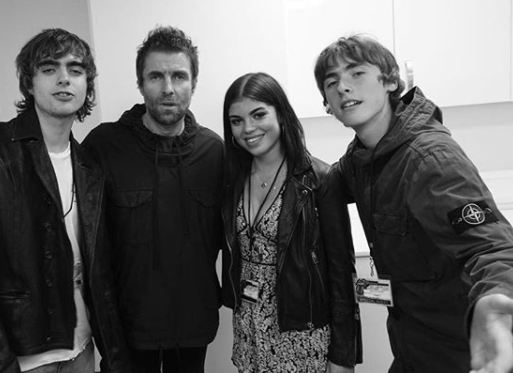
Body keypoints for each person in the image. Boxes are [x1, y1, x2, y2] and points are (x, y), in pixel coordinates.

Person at [314, 34, 513, 373]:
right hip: (412, 349)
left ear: (391, 80)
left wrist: (495, 300)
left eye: (356, 73)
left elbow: (492, 247)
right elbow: (326, 180)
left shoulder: (430, 159)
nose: (343, 87)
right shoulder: (362, 159)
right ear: (327, 105)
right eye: (332, 83)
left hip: (464, 354)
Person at [0, 28, 127, 373]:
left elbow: (99, 272)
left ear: (87, 85)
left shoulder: (90, 165)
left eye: (75, 70)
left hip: (83, 349)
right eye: (49, 69)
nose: (64, 79)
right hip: (23, 357)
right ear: (29, 83)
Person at [82, 26, 224, 372]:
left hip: (193, 326)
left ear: (193, 83)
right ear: (141, 83)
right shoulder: (104, 147)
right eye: (156, 76)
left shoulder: (214, 151)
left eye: (179, 76)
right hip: (127, 331)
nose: (168, 88)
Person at [221, 72, 361, 373]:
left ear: (281, 115)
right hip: (250, 334)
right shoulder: (233, 180)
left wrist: (343, 357)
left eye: (259, 115)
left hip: (302, 338)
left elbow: (341, 275)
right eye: (237, 120)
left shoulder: (321, 180)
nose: (248, 128)